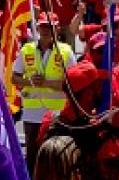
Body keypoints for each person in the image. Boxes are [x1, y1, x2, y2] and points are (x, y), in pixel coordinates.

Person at [13, 13, 75, 167]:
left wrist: (47, 83)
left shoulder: (66, 51)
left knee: (54, 156)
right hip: (32, 113)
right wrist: (29, 81)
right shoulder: (27, 49)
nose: (45, 30)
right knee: (32, 155)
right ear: (38, 27)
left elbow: (73, 82)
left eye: (49, 26)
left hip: (56, 114)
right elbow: (14, 77)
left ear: (57, 28)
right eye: (43, 26)